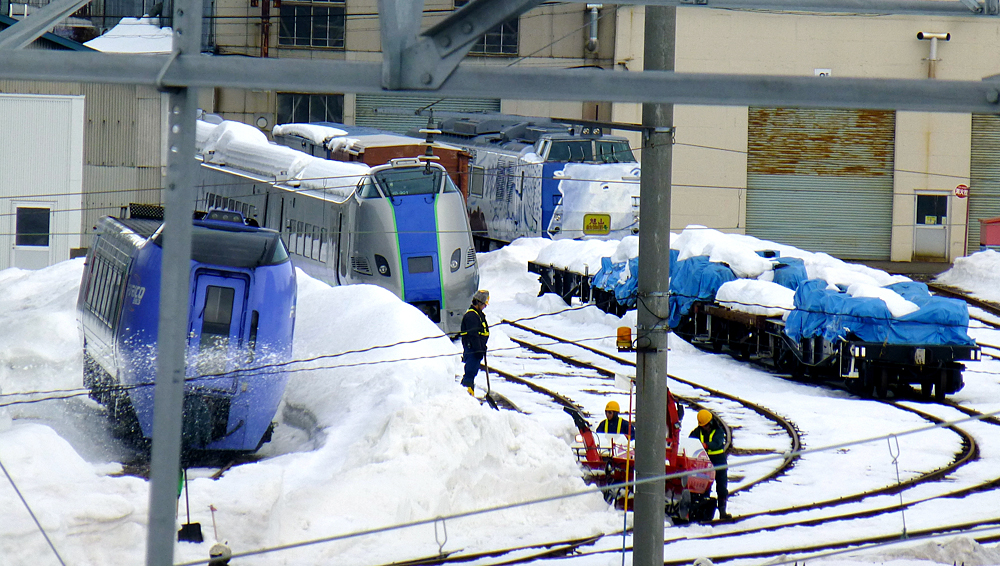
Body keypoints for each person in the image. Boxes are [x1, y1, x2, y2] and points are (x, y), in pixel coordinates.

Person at [689, 409, 731, 520]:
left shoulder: (719, 432)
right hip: (705, 464)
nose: (705, 427)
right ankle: (703, 513)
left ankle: (722, 511)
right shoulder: (697, 432)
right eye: (704, 426)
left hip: (719, 463)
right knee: (704, 488)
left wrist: (706, 445)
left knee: (721, 488)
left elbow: (717, 443)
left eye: (707, 425)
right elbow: (691, 441)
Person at [459, 290, 490, 395]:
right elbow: (473, 335)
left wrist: (482, 346)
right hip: (472, 350)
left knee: (471, 372)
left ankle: (464, 392)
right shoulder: (472, 316)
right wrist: (478, 349)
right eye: (484, 304)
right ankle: (467, 393)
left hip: (476, 349)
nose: (485, 307)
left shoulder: (478, 314)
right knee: (470, 372)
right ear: (479, 303)